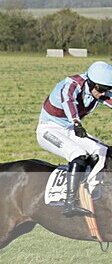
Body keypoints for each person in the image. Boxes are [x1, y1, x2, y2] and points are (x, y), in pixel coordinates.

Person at [37, 61, 112, 217]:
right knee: (78, 154)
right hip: (49, 128)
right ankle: (69, 203)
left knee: (103, 152)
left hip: (70, 129)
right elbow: (68, 101)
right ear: (91, 83)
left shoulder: (98, 90)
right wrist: (77, 122)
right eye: (101, 89)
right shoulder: (72, 84)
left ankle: (92, 189)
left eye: (108, 89)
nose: (104, 93)